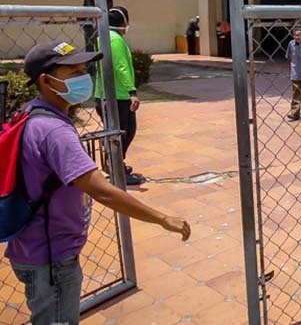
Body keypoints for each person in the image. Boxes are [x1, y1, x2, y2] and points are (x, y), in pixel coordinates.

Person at [11, 40, 189, 324]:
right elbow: (104, 193)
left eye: (85, 70)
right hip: (51, 257)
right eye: (74, 73)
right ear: (45, 80)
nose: (85, 78)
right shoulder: (54, 131)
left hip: (36, 246)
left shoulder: (32, 112)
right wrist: (162, 218)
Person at [94, 7, 142, 186]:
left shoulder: (105, 38)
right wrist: (132, 92)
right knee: (124, 132)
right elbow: (121, 66)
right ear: (123, 22)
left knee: (116, 132)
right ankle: (117, 169)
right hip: (118, 96)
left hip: (108, 95)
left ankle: (114, 164)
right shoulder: (114, 40)